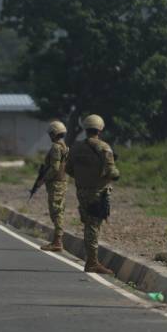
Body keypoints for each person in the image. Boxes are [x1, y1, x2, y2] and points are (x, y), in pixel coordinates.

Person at [66, 114, 119, 275]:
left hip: (81, 191)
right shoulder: (104, 148)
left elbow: (68, 169)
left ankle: (91, 260)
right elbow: (112, 172)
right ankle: (92, 262)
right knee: (93, 226)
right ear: (100, 129)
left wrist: (83, 178)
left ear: (85, 128)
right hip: (98, 192)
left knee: (89, 223)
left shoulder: (75, 147)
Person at [39, 121, 69, 252]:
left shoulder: (57, 147)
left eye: (51, 134)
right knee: (58, 211)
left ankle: (57, 241)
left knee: (56, 212)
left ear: (54, 134)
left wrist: (44, 178)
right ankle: (57, 240)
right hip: (61, 182)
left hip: (56, 183)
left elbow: (55, 168)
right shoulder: (65, 146)